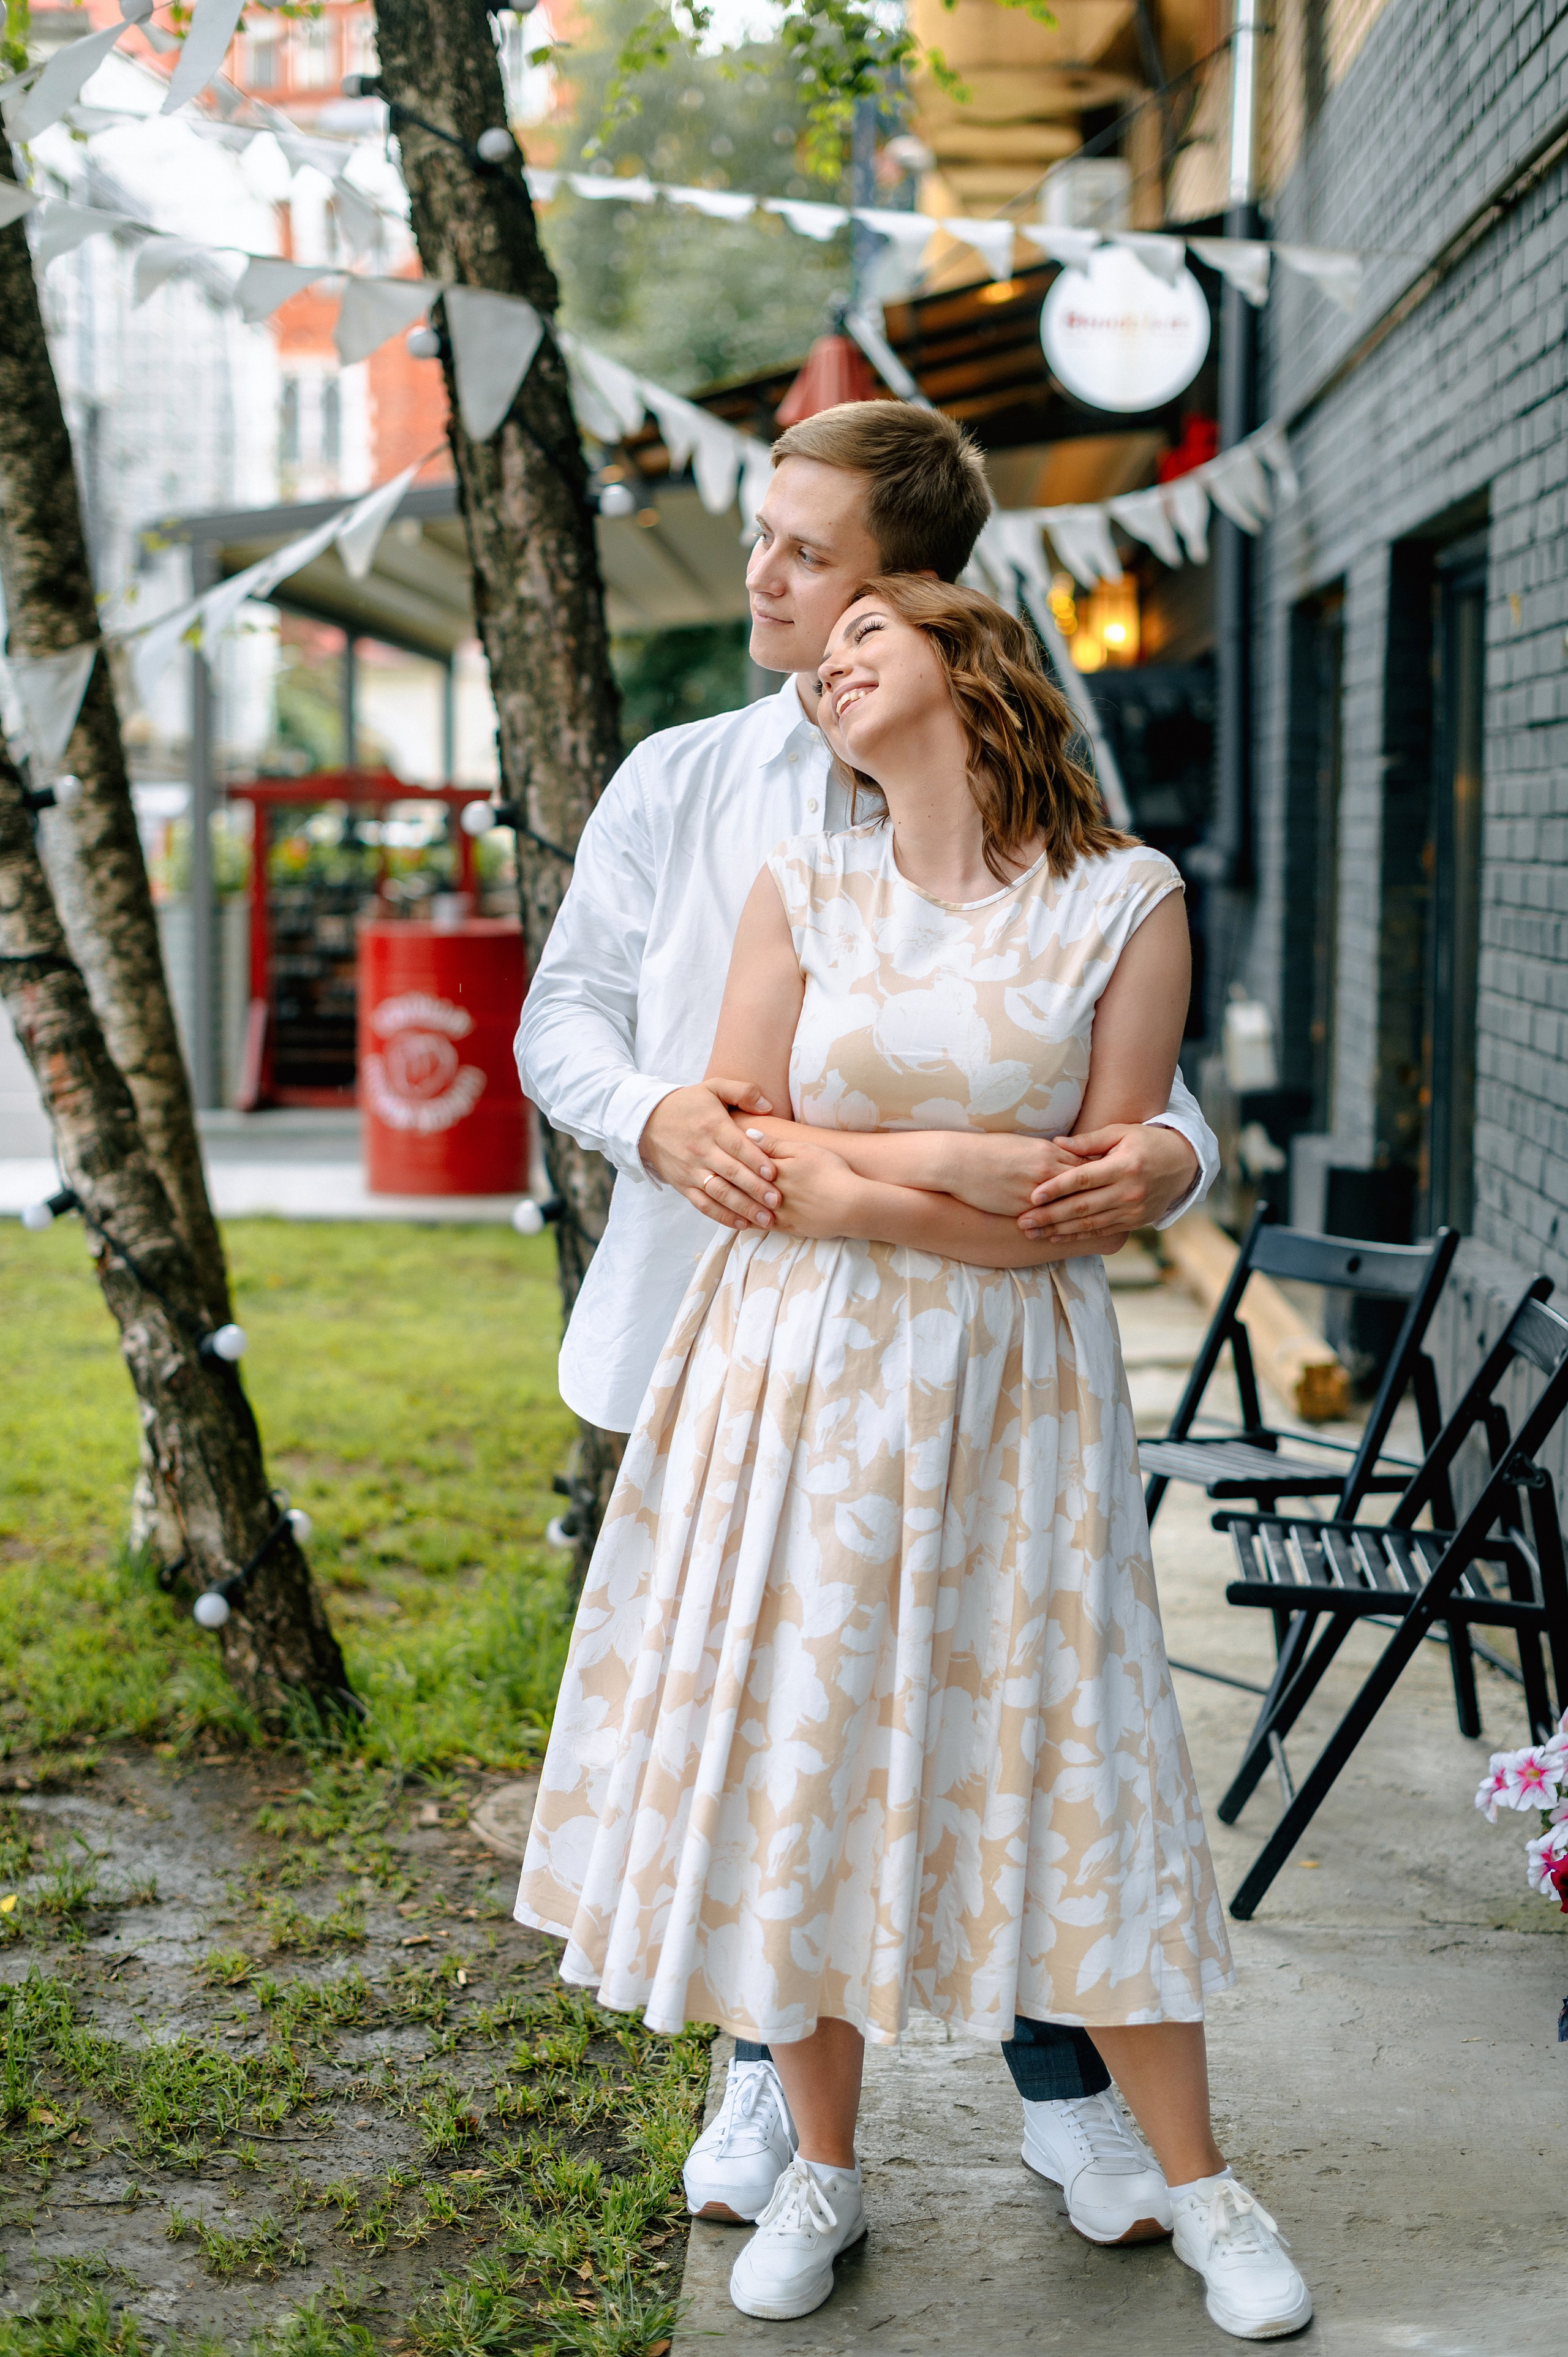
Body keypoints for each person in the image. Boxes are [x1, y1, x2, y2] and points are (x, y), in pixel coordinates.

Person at [517, 579, 1311, 2342]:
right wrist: (949, 1156)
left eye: (871, 633)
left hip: (1012, 1393)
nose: (830, 660)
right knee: (801, 1748)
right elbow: (740, 1146)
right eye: (825, 650)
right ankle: (824, 2165)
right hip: (789, 1376)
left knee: (1075, 1750)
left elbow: (1080, 1206)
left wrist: (878, 1179)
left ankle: (1199, 2186)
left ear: (977, 665)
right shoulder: (798, 888)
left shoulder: (1129, 903)